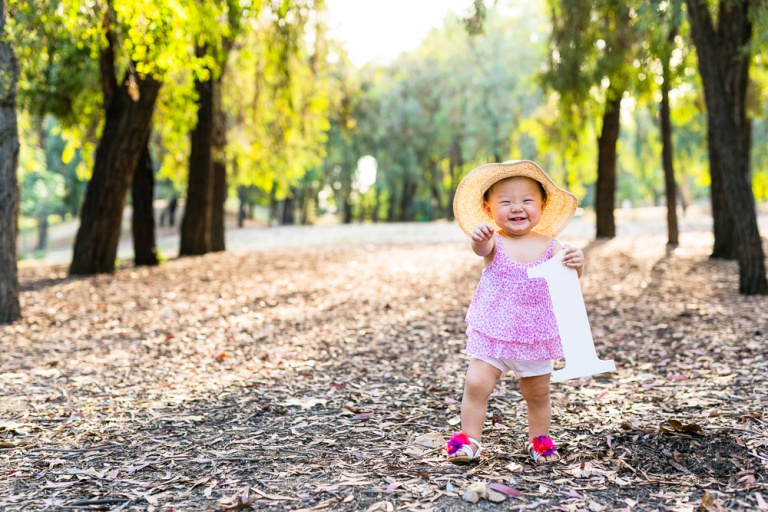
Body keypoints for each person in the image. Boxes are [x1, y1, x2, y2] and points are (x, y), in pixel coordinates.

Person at [447, 160, 584, 464]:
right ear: (488, 208)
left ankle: (540, 442)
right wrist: (480, 238)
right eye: (505, 201)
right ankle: (467, 441)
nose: (516, 208)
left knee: (537, 393)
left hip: (534, 334)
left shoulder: (551, 245)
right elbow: (480, 250)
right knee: (476, 383)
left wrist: (578, 263)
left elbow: (568, 280)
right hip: (494, 329)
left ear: (543, 205)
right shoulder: (494, 241)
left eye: (526, 200)